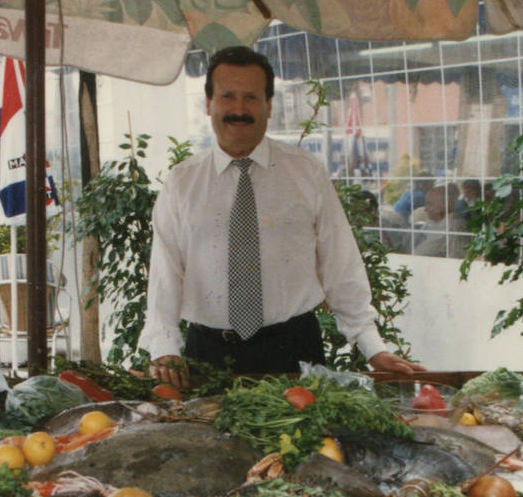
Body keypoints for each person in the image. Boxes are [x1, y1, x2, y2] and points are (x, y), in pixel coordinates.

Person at [140, 46, 420, 387]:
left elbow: (340, 263)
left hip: (294, 349)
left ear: (269, 105)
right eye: (228, 96)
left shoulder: (306, 172)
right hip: (209, 355)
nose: (239, 109)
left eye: (251, 97)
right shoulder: (181, 183)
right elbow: (165, 272)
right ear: (209, 104)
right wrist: (164, 346)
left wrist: (373, 347)